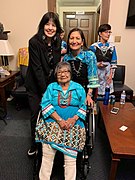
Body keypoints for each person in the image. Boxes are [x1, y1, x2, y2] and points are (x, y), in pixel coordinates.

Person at [35, 61, 86, 180]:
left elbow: (83, 106)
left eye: (65, 71)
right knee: (47, 156)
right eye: (59, 72)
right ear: (56, 74)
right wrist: (59, 120)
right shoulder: (51, 87)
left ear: (70, 73)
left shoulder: (78, 88)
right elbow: (45, 104)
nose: (63, 74)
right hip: (52, 122)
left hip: (74, 124)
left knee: (70, 160)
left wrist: (73, 119)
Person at [25, 12, 62, 156]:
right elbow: (37, 69)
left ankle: (50, 141)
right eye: (47, 24)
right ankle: (34, 144)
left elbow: (56, 65)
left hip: (50, 84)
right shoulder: (34, 42)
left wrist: (53, 88)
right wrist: (45, 92)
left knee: (51, 113)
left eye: (53, 25)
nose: (50, 28)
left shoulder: (57, 41)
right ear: (42, 25)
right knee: (36, 114)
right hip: (34, 85)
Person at [63, 28, 99, 106]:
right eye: (71, 38)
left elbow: (93, 78)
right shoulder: (66, 58)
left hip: (86, 91)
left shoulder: (90, 56)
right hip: (70, 92)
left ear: (82, 42)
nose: (74, 41)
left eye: (77, 38)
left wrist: (88, 96)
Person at [89, 24, 117, 96]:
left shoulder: (112, 47)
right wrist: (97, 64)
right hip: (97, 71)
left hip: (107, 71)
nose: (108, 34)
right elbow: (90, 62)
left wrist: (111, 75)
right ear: (100, 33)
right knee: (96, 92)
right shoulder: (94, 47)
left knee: (107, 92)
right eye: (106, 32)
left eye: (109, 32)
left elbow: (113, 62)